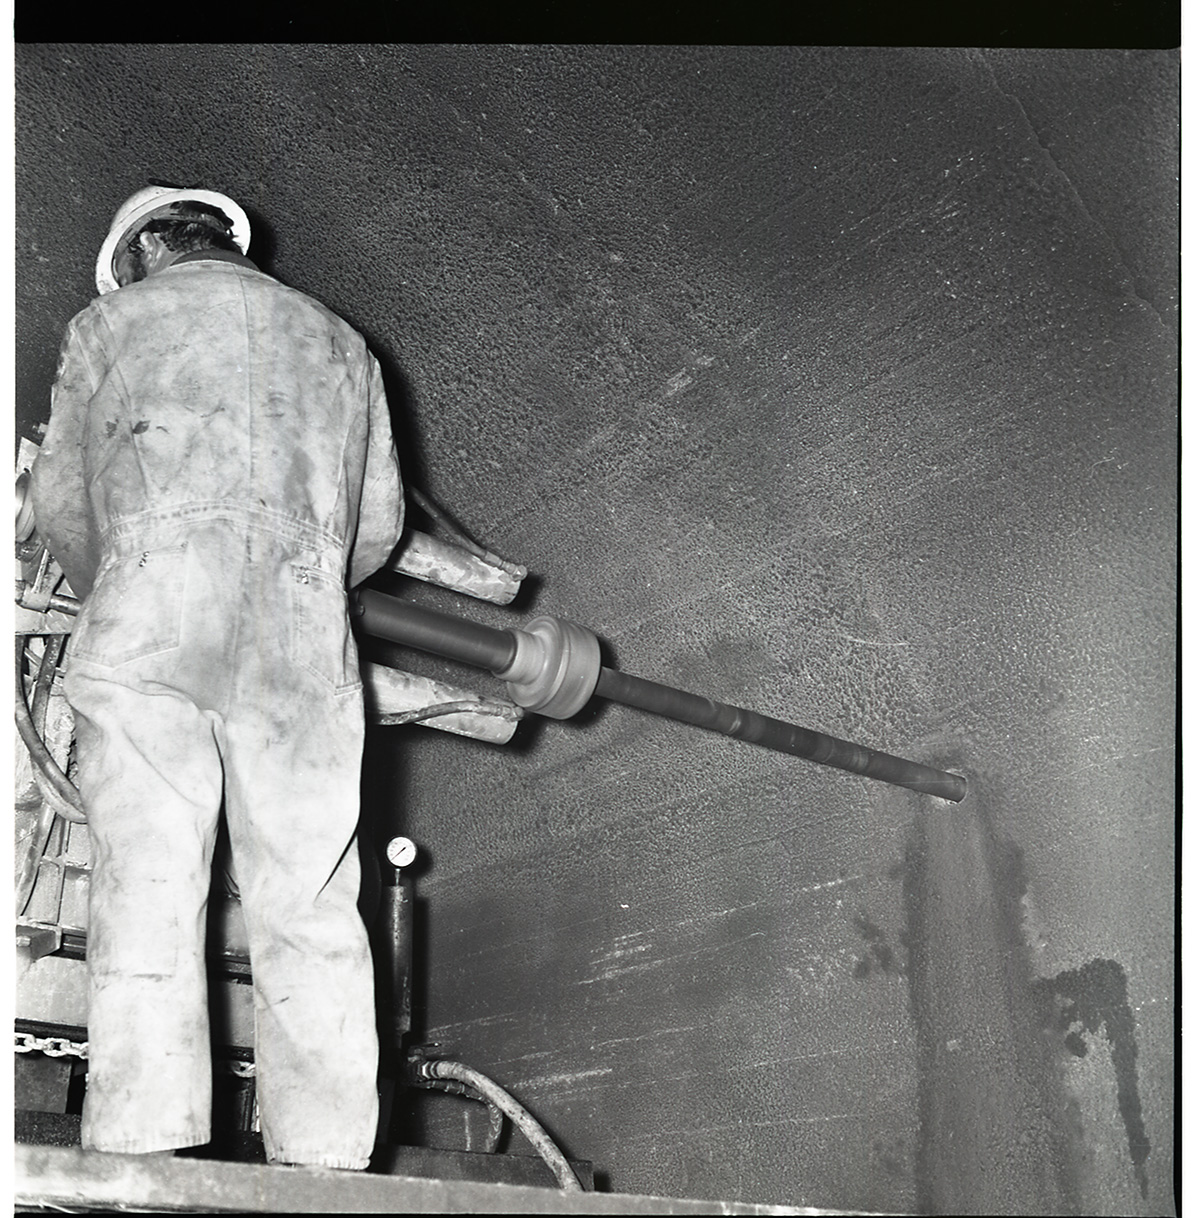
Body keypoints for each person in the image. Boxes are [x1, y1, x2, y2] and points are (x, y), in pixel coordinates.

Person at [29, 184, 405, 1169]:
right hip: (298, 641)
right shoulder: (343, 344)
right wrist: (300, 577)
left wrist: (125, 576)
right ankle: (326, 1162)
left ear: (151, 247)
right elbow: (379, 528)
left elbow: (64, 503)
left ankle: (144, 1148)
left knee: (151, 881)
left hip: (150, 626)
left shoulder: (110, 323)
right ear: (225, 240)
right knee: (312, 898)